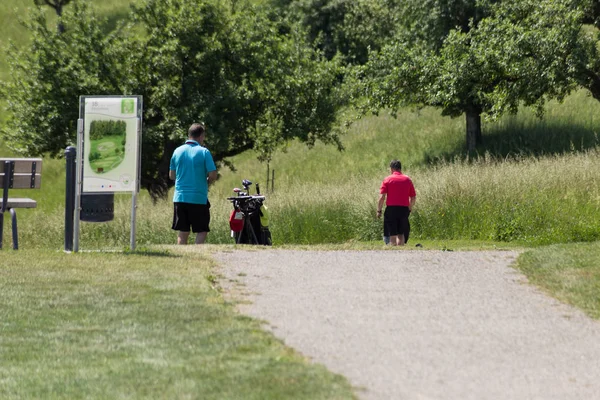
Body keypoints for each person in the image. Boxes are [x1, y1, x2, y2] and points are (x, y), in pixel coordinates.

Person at [169, 123, 217, 244]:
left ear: (189, 135)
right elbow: (213, 174)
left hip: (180, 198)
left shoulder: (177, 151)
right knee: (202, 230)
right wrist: (207, 182)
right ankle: (198, 254)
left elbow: (171, 175)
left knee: (183, 230)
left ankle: (182, 257)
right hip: (198, 197)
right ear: (201, 136)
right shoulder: (204, 152)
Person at [377, 159, 416, 246]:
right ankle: (401, 251)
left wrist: (379, 210)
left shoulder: (387, 179)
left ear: (391, 169)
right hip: (404, 209)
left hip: (391, 209)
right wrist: (409, 208)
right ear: (400, 168)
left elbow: (382, 197)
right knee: (401, 233)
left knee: (392, 233)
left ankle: (393, 252)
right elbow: (413, 197)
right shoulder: (408, 180)